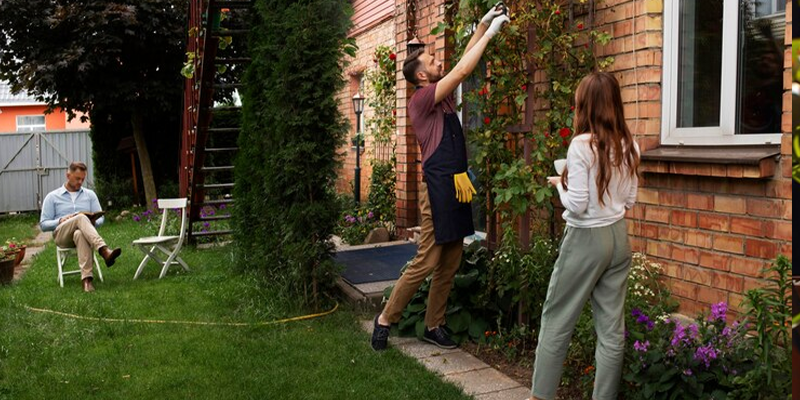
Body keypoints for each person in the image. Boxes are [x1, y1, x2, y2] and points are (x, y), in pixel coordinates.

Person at [370, 5, 510, 351]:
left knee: (451, 259)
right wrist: (491, 36)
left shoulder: (441, 97)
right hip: (436, 189)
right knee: (429, 259)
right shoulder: (422, 100)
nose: (438, 64)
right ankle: (385, 318)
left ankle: (435, 323)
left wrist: (482, 23)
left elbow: (461, 59)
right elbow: (463, 69)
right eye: (432, 62)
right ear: (421, 77)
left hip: (457, 185)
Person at [529, 72, 640, 400]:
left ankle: (540, 397)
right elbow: (629, 201)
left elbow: (577, 206)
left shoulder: (581, 145)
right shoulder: (630, 144)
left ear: (585, 106)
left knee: (556, 319)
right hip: (619, 239)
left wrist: (560, 184)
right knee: (611, 332)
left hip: (586, 241)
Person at [40, 161, 121, 292]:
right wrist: (60, 220)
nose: (80, 182)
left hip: (84, 234)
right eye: (77, 178)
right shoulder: (52, 197)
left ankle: (87, 281)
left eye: (82, 179)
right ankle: (104, 250)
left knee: (80, 233)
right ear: (68, 175)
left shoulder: (90, 195)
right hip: (62, 236)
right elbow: (43, 225)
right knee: (80, 217)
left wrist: (93, 222)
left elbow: (101, 219)